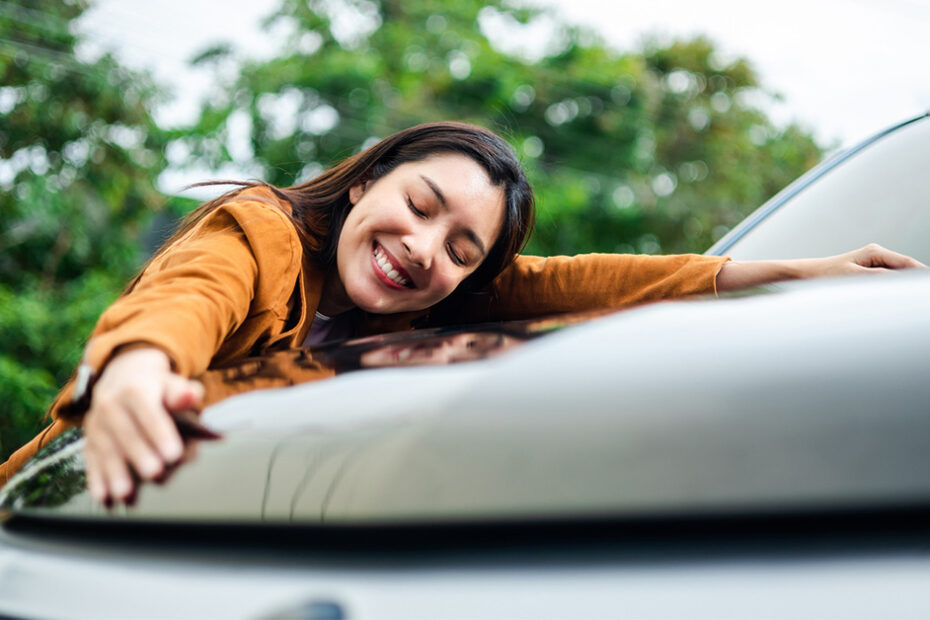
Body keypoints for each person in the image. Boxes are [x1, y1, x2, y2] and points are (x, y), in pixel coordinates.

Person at [0, 121, 923, 502]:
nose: (425, 250)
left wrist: (791, 274)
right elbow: (189, 295)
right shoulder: (265, 233)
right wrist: (135, 368)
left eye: (463, 250)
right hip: (60, 512)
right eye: (421, 205)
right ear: (366, 180)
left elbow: (599, 283)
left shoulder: (428, 304)